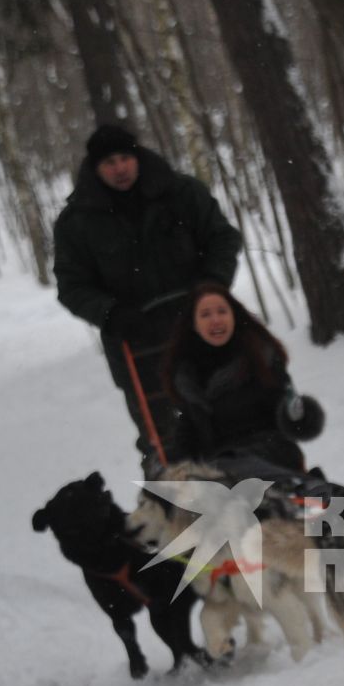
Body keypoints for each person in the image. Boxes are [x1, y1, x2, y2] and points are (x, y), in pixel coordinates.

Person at [53, 124, 243, 467]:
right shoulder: (77, 222)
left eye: (125, 158)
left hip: (203, 329)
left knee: (232, 415)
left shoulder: (182, 194)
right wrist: (110, 314)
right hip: (136, 346)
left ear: (137, 157)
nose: (120, 168)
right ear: (95, 168)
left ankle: (259, 493)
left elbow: (223, 240)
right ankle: (180, 507)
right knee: (164, 437)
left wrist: (211, 287)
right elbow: (71, 285)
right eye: (109, 162)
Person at [162, 285, 324, 477]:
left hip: (271, 454)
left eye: (222, 311)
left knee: (229, 469)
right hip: (218, 470)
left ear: (234, 317)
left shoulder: (260, 356)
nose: (215, 320)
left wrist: (299, 416)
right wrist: (168, 463)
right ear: (194, 325)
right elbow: (188, 433)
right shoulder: (187, 376)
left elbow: (286, 407)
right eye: (205, 314)